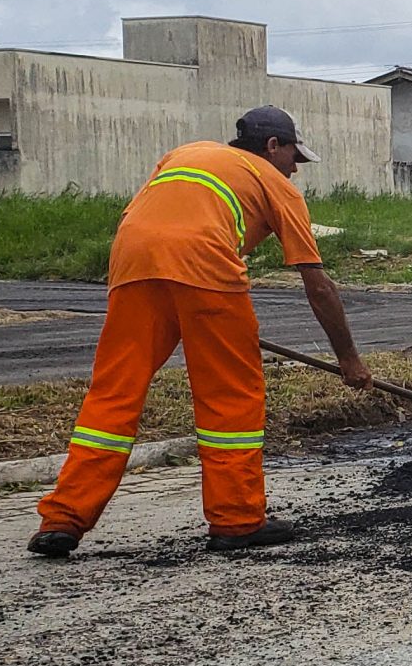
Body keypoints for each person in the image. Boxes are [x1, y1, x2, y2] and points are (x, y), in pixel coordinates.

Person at [28, 106, 371, 557]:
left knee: (114, 392)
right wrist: (348, 358)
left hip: (132, 263)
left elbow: (152, 215)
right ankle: (237, 520)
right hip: (206, 268)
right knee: (229, 396)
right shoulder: (276, 185)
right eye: (295, 157)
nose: (296, 169)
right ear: (273, 146)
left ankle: (63, 519)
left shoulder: (185, 154)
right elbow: (318, 286)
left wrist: (176, 308)